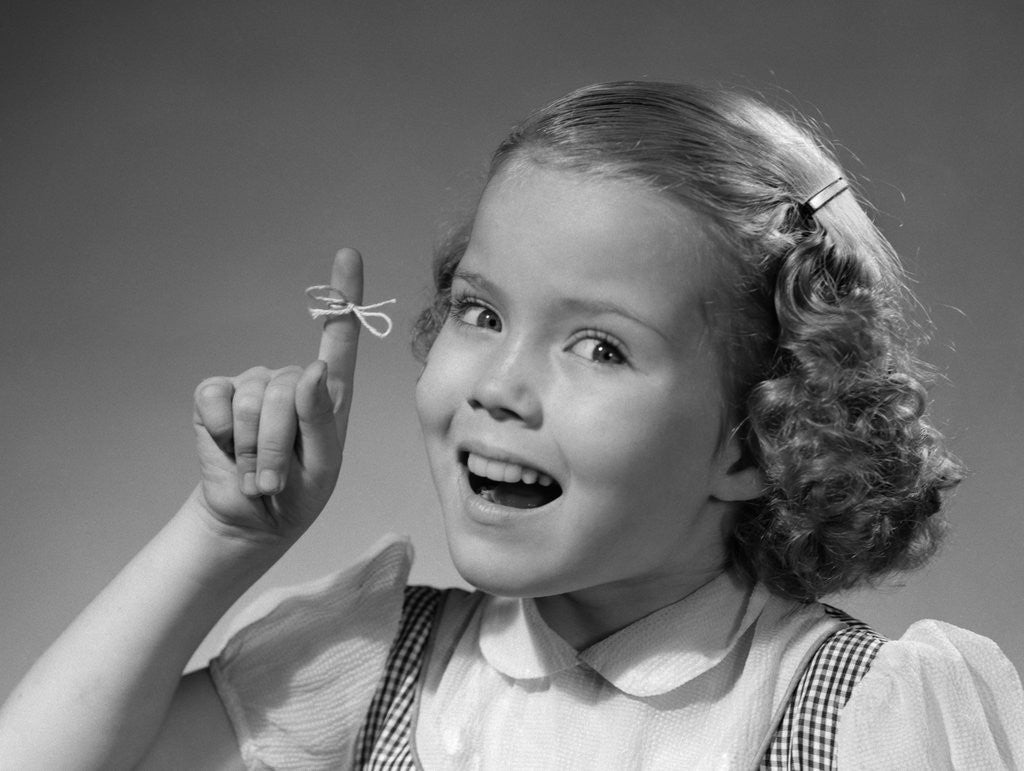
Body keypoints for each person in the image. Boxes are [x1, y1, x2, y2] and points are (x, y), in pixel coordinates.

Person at [1, 81, 1022, 769]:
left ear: (760, 437)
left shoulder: (865, 720)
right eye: (481, 313)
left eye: (600, 346)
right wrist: (223, 536)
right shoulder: (371, 667)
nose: (499, 385)